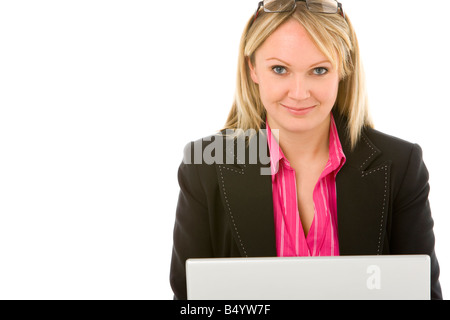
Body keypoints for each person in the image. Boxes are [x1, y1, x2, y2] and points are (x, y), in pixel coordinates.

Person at [170, 0, 442, 300]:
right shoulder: (204, 168)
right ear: (253, 69)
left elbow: (422, 294)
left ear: (343, 69)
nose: (299, 93)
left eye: (319, 70)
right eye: (279, 69)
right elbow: (189, 301)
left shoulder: (401, 165)